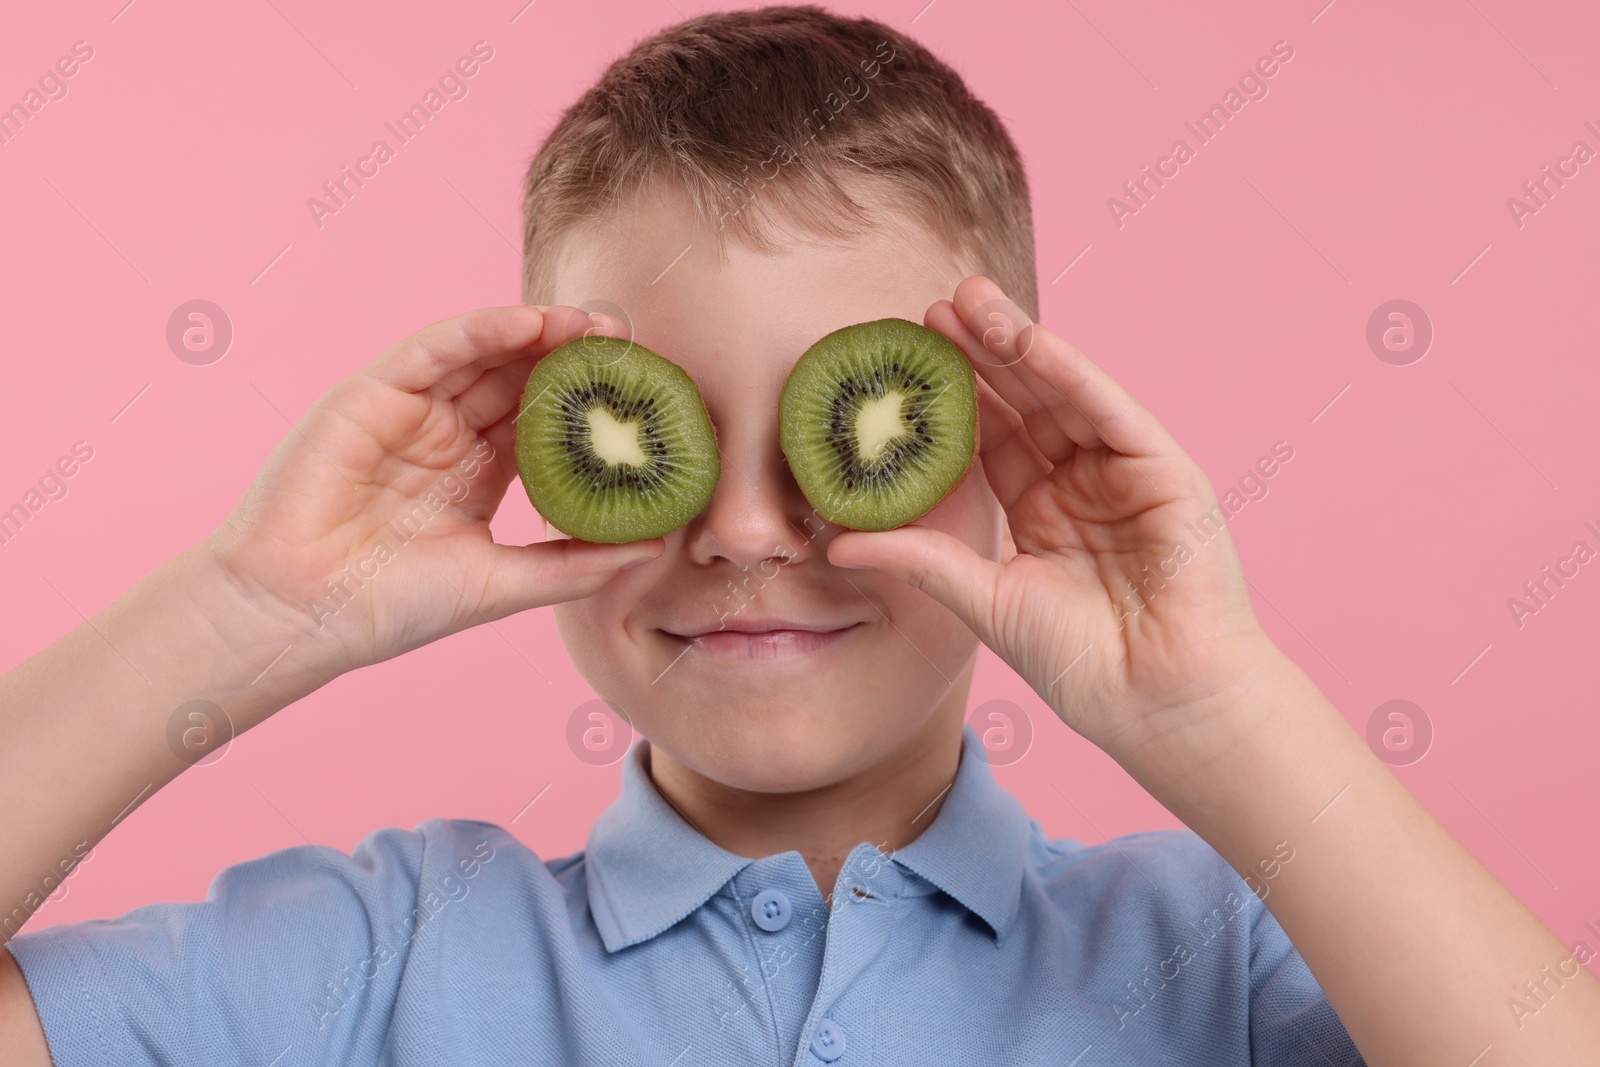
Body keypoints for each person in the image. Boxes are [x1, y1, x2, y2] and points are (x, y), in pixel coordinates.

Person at [2, 6, 1596, 1065]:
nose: (751, 529)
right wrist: (245, 610)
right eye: (660, 432)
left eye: (849, 441)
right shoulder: (374, 961)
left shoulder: (1230, 957)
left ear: (1001, 443)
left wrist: (1220, 706)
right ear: (556, 440)